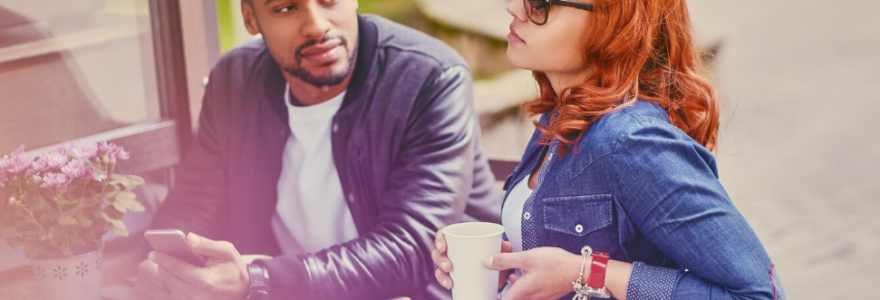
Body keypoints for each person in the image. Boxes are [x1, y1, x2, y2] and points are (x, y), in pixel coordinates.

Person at [136, 0, 499, 299]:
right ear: (250, 18)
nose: (316, 25)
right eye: (286, 8)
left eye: (329, 0)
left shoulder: (428, 77)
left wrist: (259, 278)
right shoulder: (234, 80)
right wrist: (168, 266)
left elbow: (412, 248)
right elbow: (195, 204)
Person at [432, 0, 786, 299]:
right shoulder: (560, 115)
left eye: (541, 3)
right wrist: (505, 267)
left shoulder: (629, 140)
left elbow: (759, 293)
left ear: (612, 26)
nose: (514, 7)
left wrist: (589, 272)